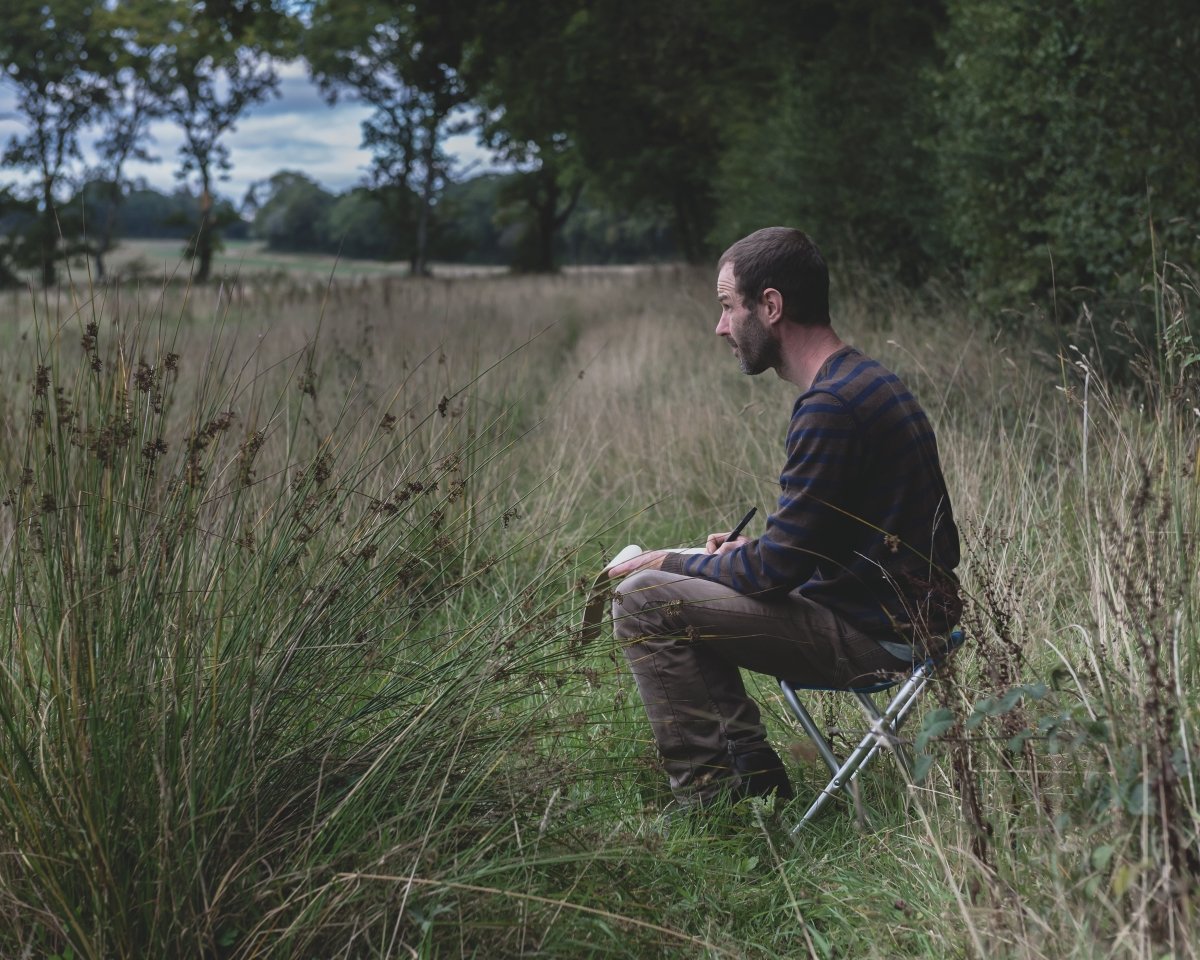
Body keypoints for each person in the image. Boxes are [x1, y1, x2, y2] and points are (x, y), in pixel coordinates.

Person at [607, 227, 961, 809]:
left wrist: (679, 560)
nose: (720, 326)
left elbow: (775, 573)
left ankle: (714, 797)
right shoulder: (866, 381)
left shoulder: (831, 408)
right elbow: (817, 543)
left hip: (878, 636)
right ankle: (749, 768)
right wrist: (726, 560)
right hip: (900, 616)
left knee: (645, 596)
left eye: (727, 306)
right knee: (683, 583)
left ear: (770, 306)